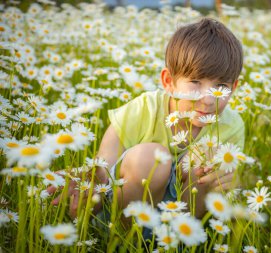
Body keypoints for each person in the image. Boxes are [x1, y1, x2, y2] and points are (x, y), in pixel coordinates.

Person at [48, 17, 245, 224]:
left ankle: (175, 240)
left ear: (233, 88)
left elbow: (226, 190)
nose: (207, 99)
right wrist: (86, 184)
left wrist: (230, 181)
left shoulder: (231, 126)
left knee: (209, 158)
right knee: (152, 157)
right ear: (169, 81)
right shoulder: (144, 109)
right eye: (195, 82)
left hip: (183, 218)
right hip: (125, 210)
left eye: (221, 86)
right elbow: (102, 170)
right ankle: (121, 240)